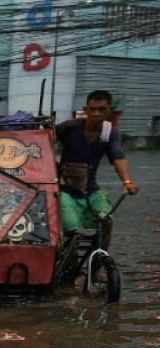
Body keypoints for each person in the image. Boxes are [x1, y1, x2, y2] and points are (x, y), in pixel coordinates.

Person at [56, 90, 140, 250]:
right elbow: (45, 139)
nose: (96, 113)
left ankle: (100, 258)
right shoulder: (70, 127)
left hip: (91, 190)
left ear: (109, 111)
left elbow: (118, 157)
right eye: (93, 109)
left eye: (101, 109)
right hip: (66, 190)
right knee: (69, 226)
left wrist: (127, 181)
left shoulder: (110, 133)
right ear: (85, 109)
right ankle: (68, 257)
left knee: (107, 220)